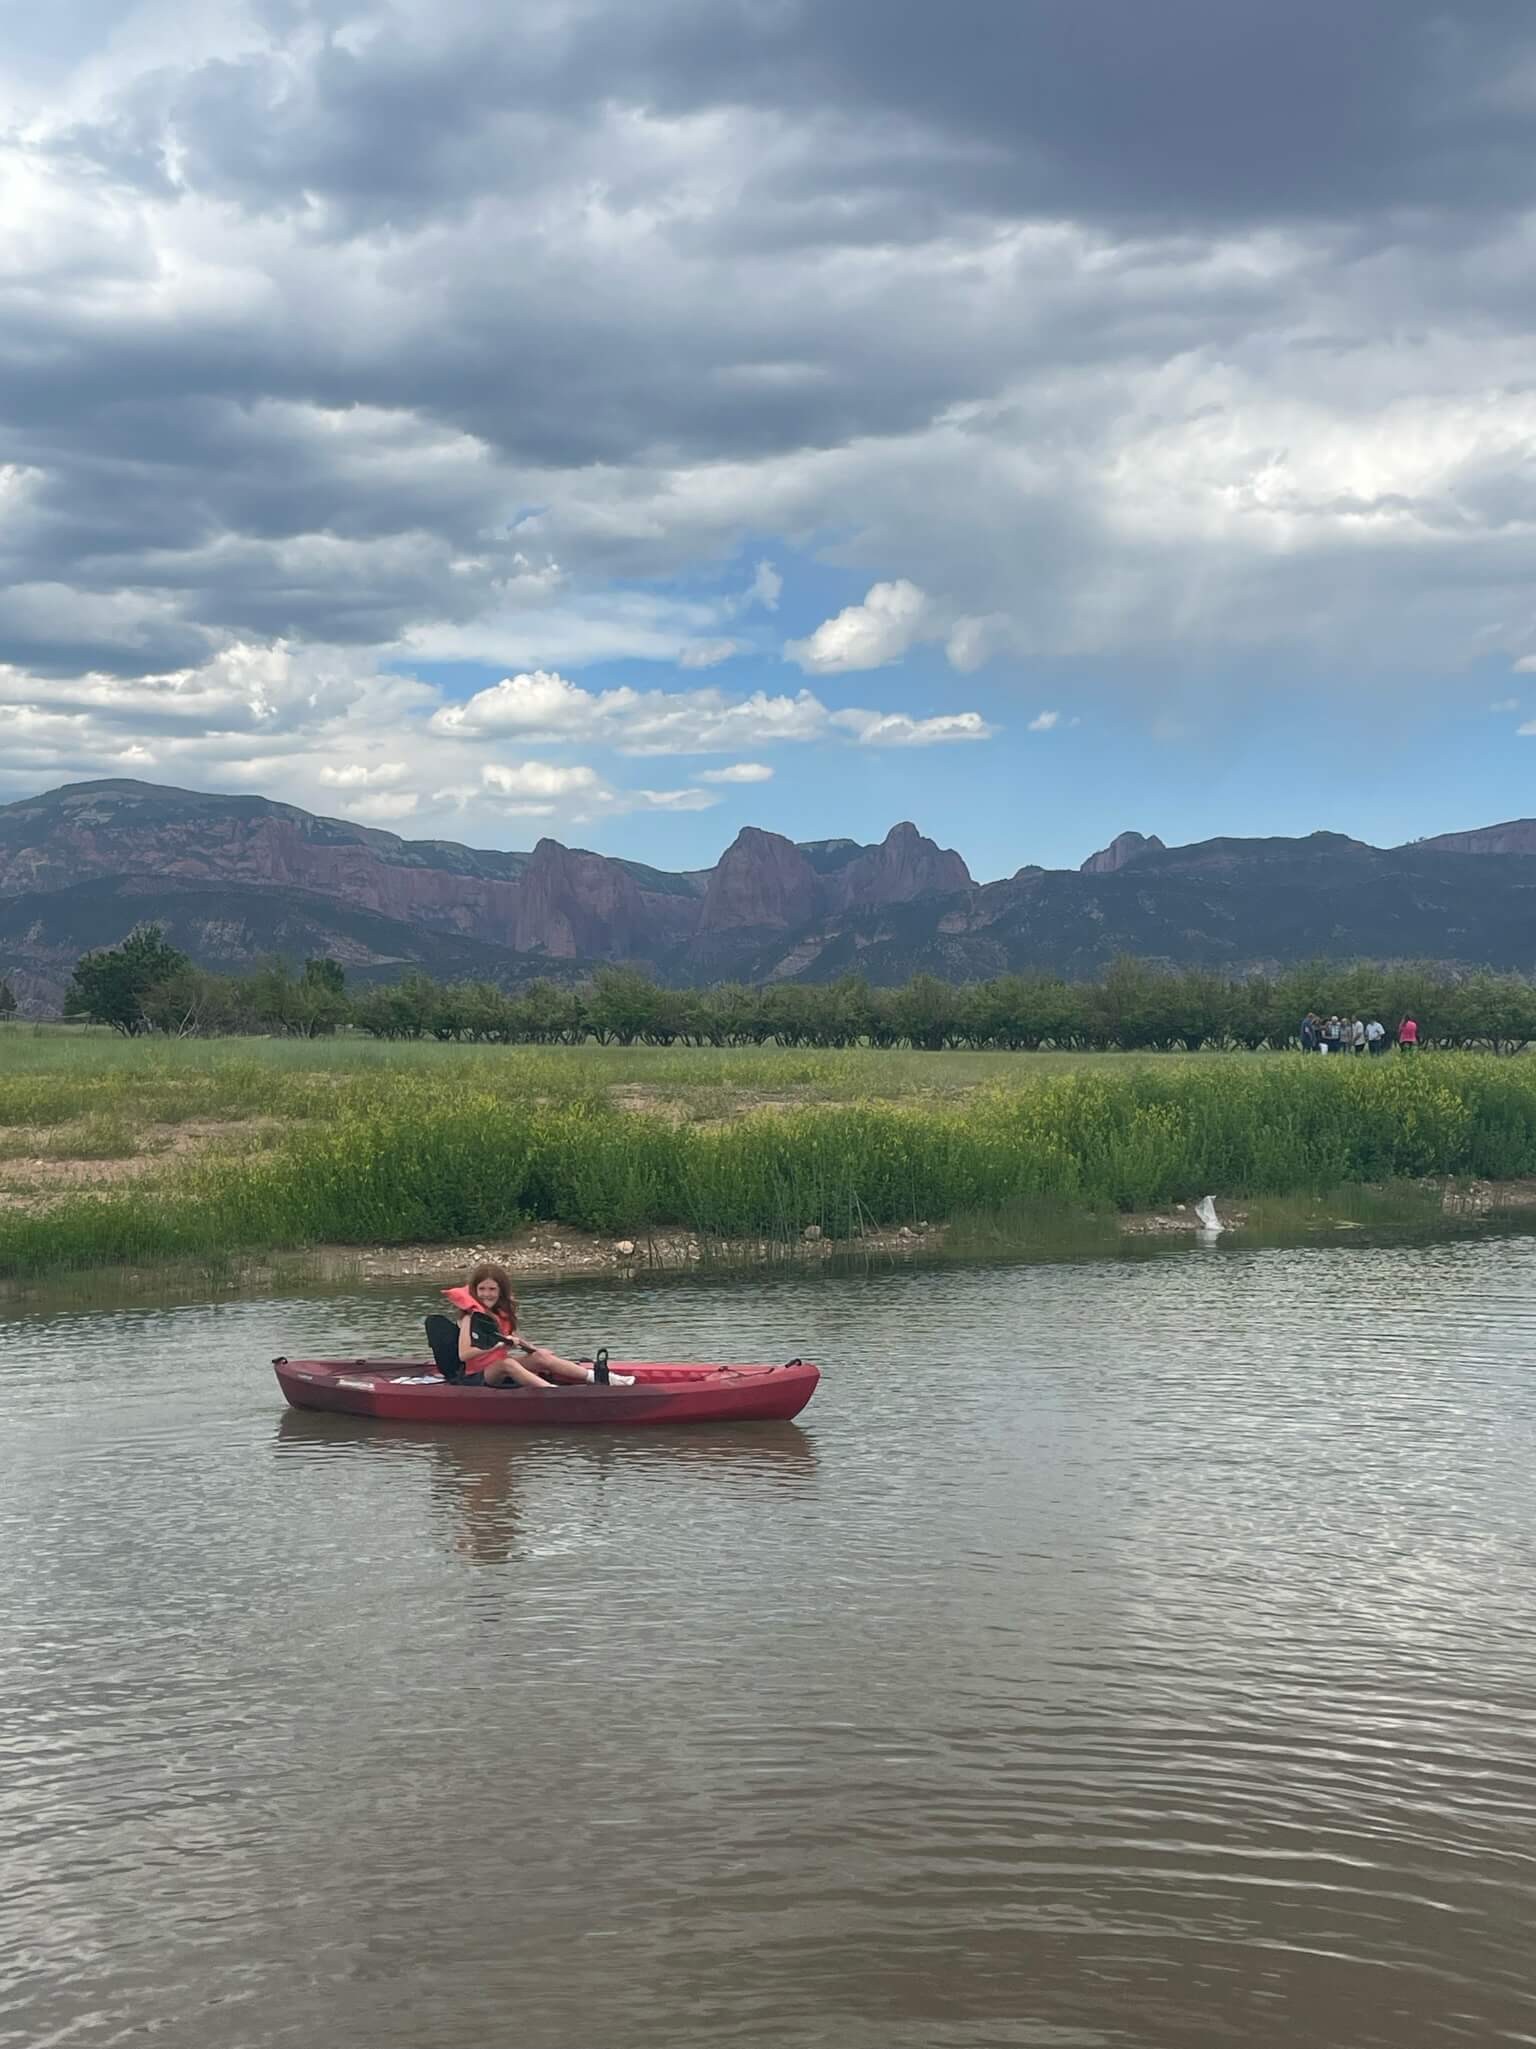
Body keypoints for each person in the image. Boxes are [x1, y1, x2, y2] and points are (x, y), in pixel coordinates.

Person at [428, 1261, 634, 1388]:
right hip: (476, 1376)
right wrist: (497, 1346)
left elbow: (515, 1339)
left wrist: (535, 1351)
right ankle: (552, 1394)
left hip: (497, 1368)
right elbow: (464, 1355)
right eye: (482, 1289)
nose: (487, 1294)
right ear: (474, 1290)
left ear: (500, 1290)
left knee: (541, 1356)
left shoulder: (502, 1313)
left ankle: (603, 1378)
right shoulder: (470, 1317)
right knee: (507, 1363)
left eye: (492, 1289)